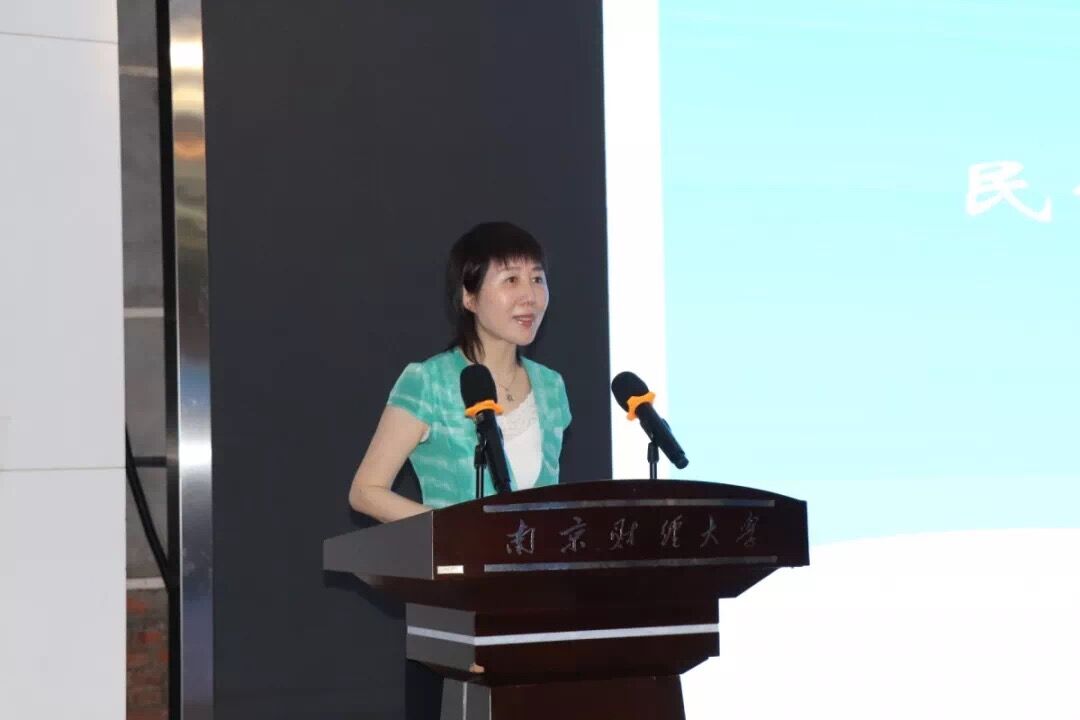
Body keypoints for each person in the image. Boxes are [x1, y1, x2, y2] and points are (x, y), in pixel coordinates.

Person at [348, 221, 572, 522]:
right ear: (470, 297)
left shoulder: (551, 386)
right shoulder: (429, 382)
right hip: (456, 553)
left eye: (537, 279)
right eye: (511, 280)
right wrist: (454, 532)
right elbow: (365, 491)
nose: (529, 296)